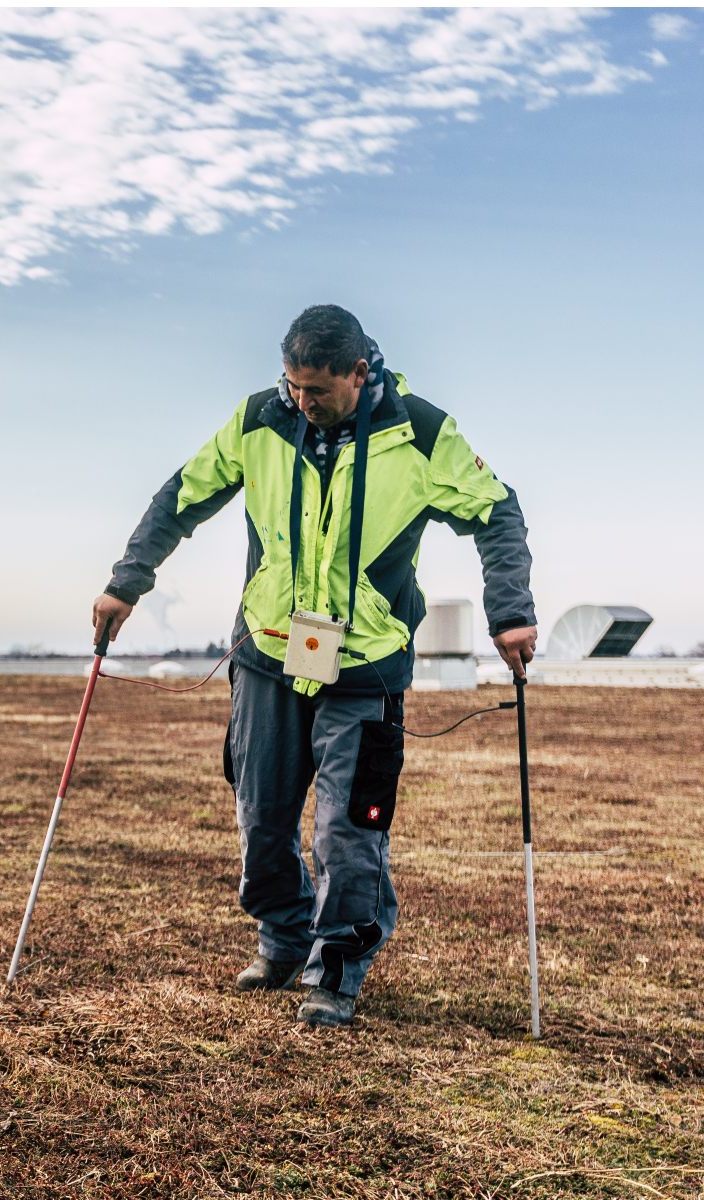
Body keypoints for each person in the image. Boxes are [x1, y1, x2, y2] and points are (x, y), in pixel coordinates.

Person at [92, 305, 536, 1027]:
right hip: (267, 653)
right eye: (294, 385)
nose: (303, 401)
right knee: (261, 815)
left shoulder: (421, 433)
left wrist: (510, 610)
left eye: (318, 390)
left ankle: (336, 970)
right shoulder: (258, 420)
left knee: (346, 829)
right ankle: (282, 937)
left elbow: (498, 512)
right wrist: (125, 583)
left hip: (366, 666)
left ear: (360, 374)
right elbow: (180, 498)